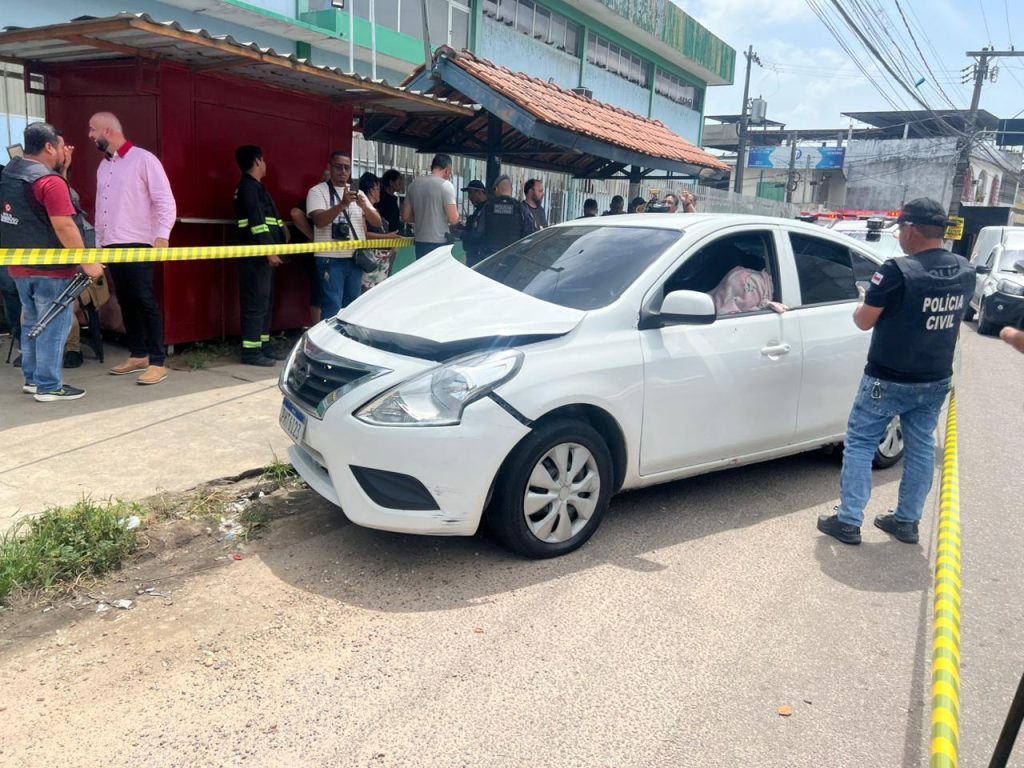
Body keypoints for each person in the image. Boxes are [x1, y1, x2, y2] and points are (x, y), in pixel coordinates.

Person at [817, 198, 975, 546]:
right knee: (920, 448)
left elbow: (864, 321)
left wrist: (861, 302)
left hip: (887, 378)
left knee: (860, 443)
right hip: (934, 378)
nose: (900, 235)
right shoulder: (965, 270)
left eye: (901, 228)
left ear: (911, 230)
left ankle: (848, 520)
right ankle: (906, 521)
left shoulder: (896, 271)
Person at [0, 122, 104, 401]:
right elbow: (64, 225)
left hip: (19, 266)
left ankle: (33, 380)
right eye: (60, 147)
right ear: (49, 146)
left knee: (32, 323)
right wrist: (87, 262)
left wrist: (62, 170)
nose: (63, 152)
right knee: (53, 327)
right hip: (52, 271)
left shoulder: (11, 173)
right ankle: (49, 386)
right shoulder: (49, 182)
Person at [89, 111, 176, 386]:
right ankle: (138, 354)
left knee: (143, 298)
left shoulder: (143, 159)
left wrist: (162, 236)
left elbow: (165, 200)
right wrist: (99, 244)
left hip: (138, 242)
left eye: (93, 130)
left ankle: (158, 361)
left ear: (108, 131)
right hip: (112, 243)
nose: (90, 135)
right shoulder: (103, 167)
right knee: (125, 299)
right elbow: (101, 209)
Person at [306, 151, 383, 318]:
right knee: (332, 306)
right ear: (329, 167)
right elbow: (319, 221)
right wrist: (342, 204)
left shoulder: (359, 193)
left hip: (355, 258)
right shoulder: (317, 191)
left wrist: (364, 207)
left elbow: (377, 222)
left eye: (347, 168)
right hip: (330, 258)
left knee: (352, 307)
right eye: (338, 167)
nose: (343, 172)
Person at [234, 145, 287, 367]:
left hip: (263, 257)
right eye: (263, 160)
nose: (265, 164)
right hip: (256, 256)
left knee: (265, 302)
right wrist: (269, 251)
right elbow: (257, 223)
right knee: (255, 303)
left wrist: (282, 229)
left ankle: (263, 345)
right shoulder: (248, 188)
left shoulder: (256, 187)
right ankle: (251, 352)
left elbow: (268, 218)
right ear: (257, 161)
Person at [402, 153, 459, 259]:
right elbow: (453, 219)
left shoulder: (413, 185)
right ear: (448, 170)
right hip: (439, 242)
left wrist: (423, 217)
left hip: (419, 241)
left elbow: (405, 216)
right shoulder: (446, 186)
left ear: (431, 167)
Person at [357, 171, 399, 290]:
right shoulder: (362, 209)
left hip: (382, 260)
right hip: (371, 259)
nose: (380, 192)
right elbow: (364, 234)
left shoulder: (373, 209)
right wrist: (388, 236)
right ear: (371, 190)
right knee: (368, 293)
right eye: (378, 189)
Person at [480, 175, 531, 261]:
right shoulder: (521, 208)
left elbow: (478, 233)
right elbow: (530, 234)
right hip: (513, 260)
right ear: (511, 189)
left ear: (496, 189)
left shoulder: (488, 207)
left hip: (490, 259)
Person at [459, 179, 489, 266]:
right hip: (474, 255)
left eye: (470, 193)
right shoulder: (480, 209)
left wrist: (462, 233)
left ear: (479, 192)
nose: (469, 197)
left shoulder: (486, 210)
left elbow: (477, 235)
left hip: (479, 257)